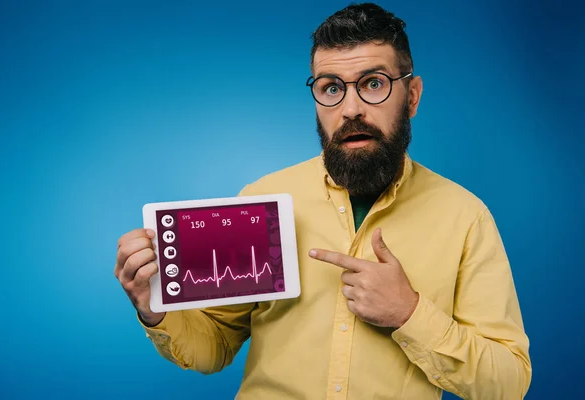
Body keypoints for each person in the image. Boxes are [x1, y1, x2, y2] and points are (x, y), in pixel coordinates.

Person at [114, 3, 531, 399]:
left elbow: (508, 383)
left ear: (413, 96)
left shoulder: (465, 217)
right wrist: (155, 310)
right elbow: (215, 345)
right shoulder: (260, 200)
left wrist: (410, 314)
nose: (351, 109)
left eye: (373, 84)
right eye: (331, 88)